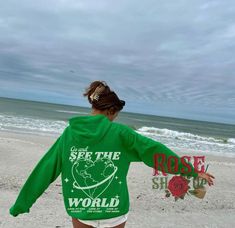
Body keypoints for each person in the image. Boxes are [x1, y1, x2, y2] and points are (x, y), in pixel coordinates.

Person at [9, 80, 215, 228]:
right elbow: (156, 152)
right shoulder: (121, 133)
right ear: (111, 111)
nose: (115, 119)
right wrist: (192, 172)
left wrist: (22, 203)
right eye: (116, 115)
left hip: (81, 210)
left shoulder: (70, 134)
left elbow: (47, 167)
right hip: (114, 211)